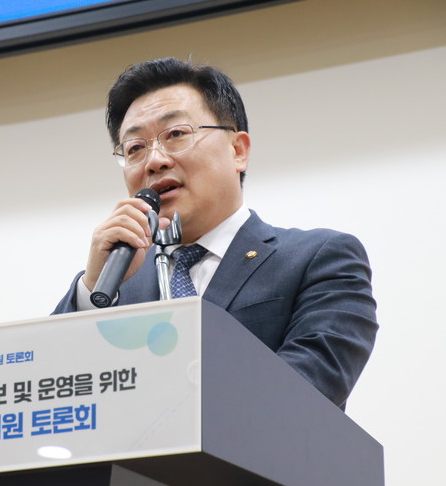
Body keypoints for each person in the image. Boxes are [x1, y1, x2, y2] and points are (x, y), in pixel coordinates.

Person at [52, 58, 377, 410]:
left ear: (238, 151)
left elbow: (306, 391)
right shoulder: (113, 287)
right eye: (135, 148)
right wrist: (92, 289)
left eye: (176, 134)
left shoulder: (319, 258)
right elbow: (46, 393)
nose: (154, 161)